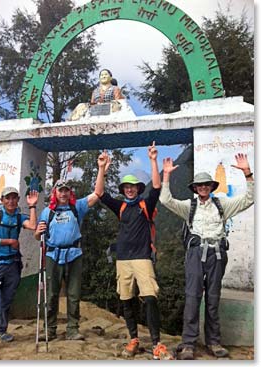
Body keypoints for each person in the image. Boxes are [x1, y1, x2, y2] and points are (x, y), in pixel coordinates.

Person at [159, 153, 254, 360]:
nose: (203, 188)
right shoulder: (189, 207)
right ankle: (188, 344)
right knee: (193, 298)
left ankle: (214, 342)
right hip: (195, 254)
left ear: (211, 187)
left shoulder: (222, 205)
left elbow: (251, 198)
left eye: (206, 185)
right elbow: (165, 199)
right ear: (195, 188)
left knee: (213, 298)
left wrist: (247, 173)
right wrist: (166, 176)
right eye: (199, 185)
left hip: (217, 254)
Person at [98, 142, 174, 360]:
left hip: (142, 259)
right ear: (123, 190)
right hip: (122, 260)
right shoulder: (121, 207)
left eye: (133, 187)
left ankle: (157, 343)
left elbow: (157, 188)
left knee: (150, 298)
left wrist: (152, 160)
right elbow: (100, 194)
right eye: (126, 187)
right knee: (126, 299)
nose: (129, 189)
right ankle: (133, 338)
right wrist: (102, 168)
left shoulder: (145, 206)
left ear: (138, 189)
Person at [34, 151, 109, 341]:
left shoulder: (78, 207)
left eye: (67, 190)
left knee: (73, 295)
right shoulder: (47, 212)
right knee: (51, 295)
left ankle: (72, 329)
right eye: (60, 190)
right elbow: (38, 235)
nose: (64, 193)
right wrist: (37, 232)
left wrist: (101, 168)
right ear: (55, 192)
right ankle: (49, 330)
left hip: (74, 254)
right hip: (52, 256)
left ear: (70, 192)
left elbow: (98, 193)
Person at [0, 187, 39, 342]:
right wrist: (9, 241)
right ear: (2, 200)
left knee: (6, 299)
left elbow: (33, 226)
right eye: (8, 198)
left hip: (13, 263)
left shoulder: (19, 216)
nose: (11, 201)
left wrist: (33, 206)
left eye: (14, 198)